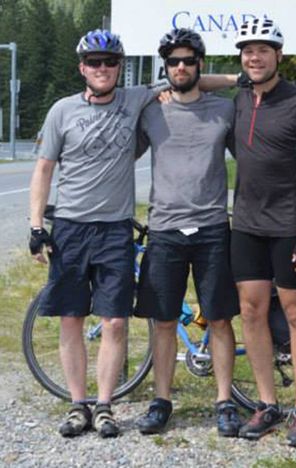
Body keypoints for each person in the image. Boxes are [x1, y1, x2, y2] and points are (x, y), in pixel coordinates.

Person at [29, 29, 164, 438]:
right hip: (70, 228)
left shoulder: (134, 98)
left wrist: (240, 80)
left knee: (115, 321)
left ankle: (104, 405)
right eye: (94, 62)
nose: (102, 69)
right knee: (71, 319)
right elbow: (44, 170)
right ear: (82, 68)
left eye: (109, 62)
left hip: (114, 231)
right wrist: (36, 226)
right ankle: (77, 404)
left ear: (120, 66)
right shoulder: (62, 111)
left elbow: (185, 78)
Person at [134, 28, 242, 437]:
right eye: (173, 61)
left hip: (214, 226)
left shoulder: (225, 110)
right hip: (164, 229)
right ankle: (161, 400)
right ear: (165, 67)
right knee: (162, 321)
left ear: (201, 63)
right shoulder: (151, 110)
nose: (181, 67)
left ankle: (224, 400)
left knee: (219, 318)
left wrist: (230, 80)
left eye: (189, 60)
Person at [230, 18, 296, 448]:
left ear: (279, 55)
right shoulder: (238, 99)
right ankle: (267, 404)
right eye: (248, 51)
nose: (255, 57)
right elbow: (208, 80)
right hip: (246, 225)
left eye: (263, 50)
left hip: (289, 226)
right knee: (251, 313)